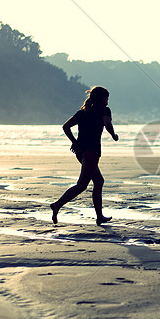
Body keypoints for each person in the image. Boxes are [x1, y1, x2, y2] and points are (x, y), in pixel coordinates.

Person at [51, 86, 119, 225]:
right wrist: (114, 135)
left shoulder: (83, 112)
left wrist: (74, 142)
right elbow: (107, 123)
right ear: (101, 99)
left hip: (81, 152)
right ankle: (57, 205)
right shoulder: (104, 110)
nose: (107, 102)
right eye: (106, 98)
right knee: (82, 185)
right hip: (91, 152)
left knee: (99, 181)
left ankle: (100, 216)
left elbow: (65, 127)